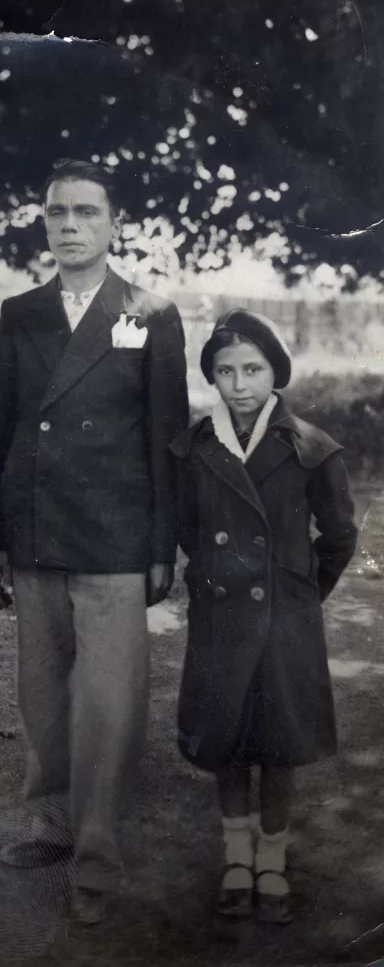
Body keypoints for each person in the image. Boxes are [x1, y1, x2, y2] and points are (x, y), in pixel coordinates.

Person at [0, 159, 188, 924]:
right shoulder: (20, 312)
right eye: (57, 212)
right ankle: (50, 821)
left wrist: (164, 545)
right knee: (42, 691)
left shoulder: (150, 312)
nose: (70, 225)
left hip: (115, 537)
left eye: (86, 212)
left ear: (113, 224)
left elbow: (168, 437)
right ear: (44, 223)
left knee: (108, 701)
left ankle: (97, 855)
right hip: (33, 531)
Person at [170, 309, 357, 924]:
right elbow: (187, 528)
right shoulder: (195, 448)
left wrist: (302, 593)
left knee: (278, 743)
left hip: (284, 616)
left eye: (253, 369)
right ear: (213, 379)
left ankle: (271, 861)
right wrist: (215, 577)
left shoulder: (310, 448)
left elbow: (339, 534)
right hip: (221, 612)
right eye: (226, 371)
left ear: (275, 372)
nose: (240, 383)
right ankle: (235, 858)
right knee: (227, 740)